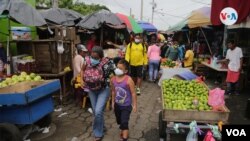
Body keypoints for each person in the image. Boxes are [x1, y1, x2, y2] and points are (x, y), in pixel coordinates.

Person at [82, 46, 116, 141]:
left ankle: (98, 134)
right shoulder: (87, 61)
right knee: (97, 112)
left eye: (96, 58)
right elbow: (82, 70)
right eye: (92, 57)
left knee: (97, 111)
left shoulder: (107, 63)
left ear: (101, 57)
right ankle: (102, 127)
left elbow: (115, 74)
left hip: (104, 89)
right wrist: (81, 80)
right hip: (92, 89)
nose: (93, 59)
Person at [110, 59, 137, 141]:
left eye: (120, 68)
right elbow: (113, 91)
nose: (118, 70)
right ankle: (122, 128)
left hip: (126, 105)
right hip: (117, 104)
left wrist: (135, 105)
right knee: (119, 120)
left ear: (125, 71)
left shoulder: (128, 80)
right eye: (117, 67)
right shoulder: (113, 79)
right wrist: (112, 102)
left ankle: (125, 137)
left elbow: (133, 93)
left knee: (124, 121)